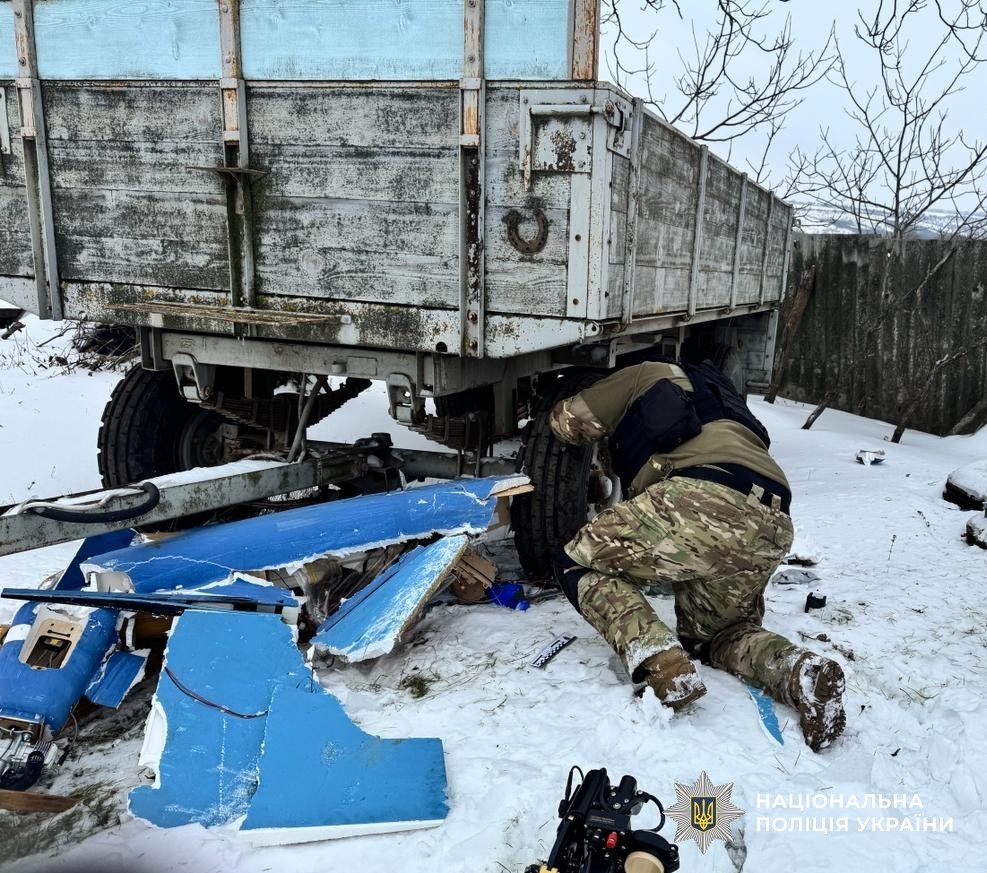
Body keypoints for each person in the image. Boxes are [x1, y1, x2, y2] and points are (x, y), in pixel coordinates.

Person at [548, 358, 846, 751]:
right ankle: (800, 673)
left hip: (700, 497)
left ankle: (660, 660)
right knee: (720, 636)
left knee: (575, 559)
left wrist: (559, 415)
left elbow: (569, 422)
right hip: (773, 519)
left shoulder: (646, 374)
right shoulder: (728, 401)